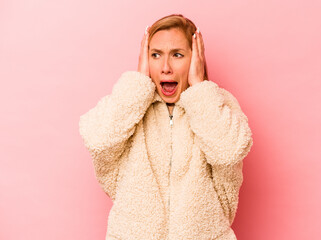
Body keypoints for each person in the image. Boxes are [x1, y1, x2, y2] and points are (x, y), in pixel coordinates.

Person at [79, 14, 253, 240]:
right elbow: (98, 139)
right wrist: (138, 84)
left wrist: (199, 89)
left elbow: (230, 152)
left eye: (178, 55)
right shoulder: (129, 106)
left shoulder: (216, 104)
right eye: (155, 55)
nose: (165, 67)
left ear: (195, 59)